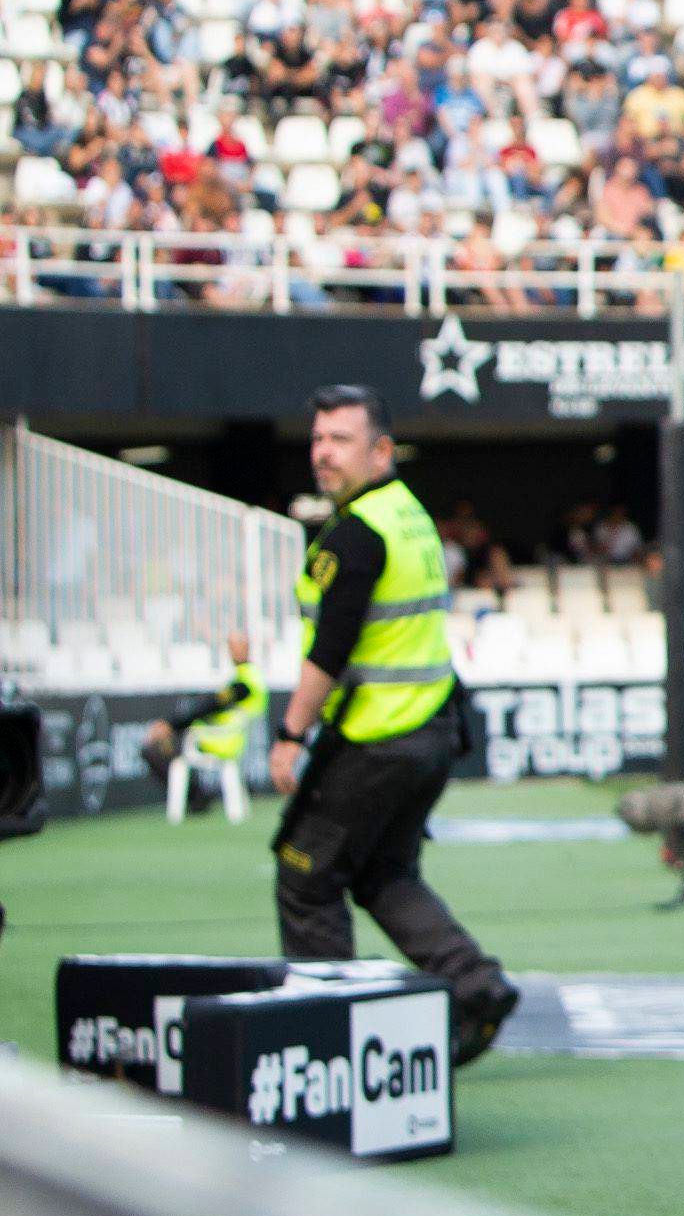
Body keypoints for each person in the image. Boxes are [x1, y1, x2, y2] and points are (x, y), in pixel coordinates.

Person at [271, 385, 520, 1063]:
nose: (323, 454)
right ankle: (475, 989)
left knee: (306, 878)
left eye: (339, 441)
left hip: (376, 739)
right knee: (384, 874)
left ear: (380, 451)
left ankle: (328, 1044)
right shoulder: (407, 513)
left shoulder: (355, 532)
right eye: (318, 439)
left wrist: (291, 734)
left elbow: (332, 647)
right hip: (432, 731)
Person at [149, 631, 266, 824]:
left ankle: (195, 797)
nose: (232, 652)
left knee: (156, 748)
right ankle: (197, 796)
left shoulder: (245, 681)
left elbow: (213, 704)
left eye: (236, 647)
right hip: (229, 739)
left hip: (221, 741)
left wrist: (172, 724)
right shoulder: (252, 676)